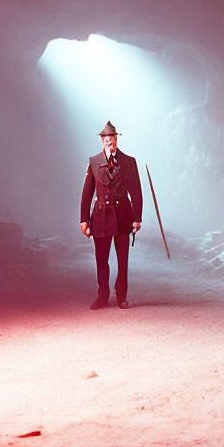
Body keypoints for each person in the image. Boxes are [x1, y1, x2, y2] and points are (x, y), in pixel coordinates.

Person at [80, 121, 143, 309]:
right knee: (101, 259)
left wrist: (137, 218)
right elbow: (87, 192)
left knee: (123, 260)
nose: (109, 142)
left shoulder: (129, 161)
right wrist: (84, 219)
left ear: (117, 139)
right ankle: (102, 296)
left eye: (112, 138)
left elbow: (136, 192)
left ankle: (121, 296)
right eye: (106, 139)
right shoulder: (94, 161)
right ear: (102, 141)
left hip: (123, 215)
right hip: (100, 216)